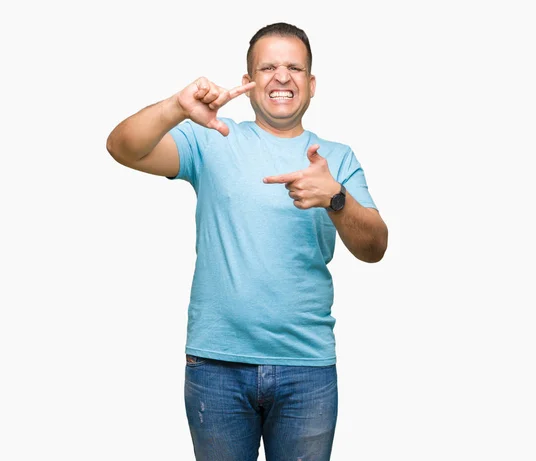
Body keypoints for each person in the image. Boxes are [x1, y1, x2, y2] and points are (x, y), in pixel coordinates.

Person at [106, 21, 388, 461]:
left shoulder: (337, 159)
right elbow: (123, 147)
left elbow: (375, 248)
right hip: (217, 366)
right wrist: (176, 108)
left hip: (306, 368)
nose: (281, 77)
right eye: (268, 66)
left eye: (294, 67)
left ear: (311, 85)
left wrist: (334, 198)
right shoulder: (213, 138)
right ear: (247, 82)